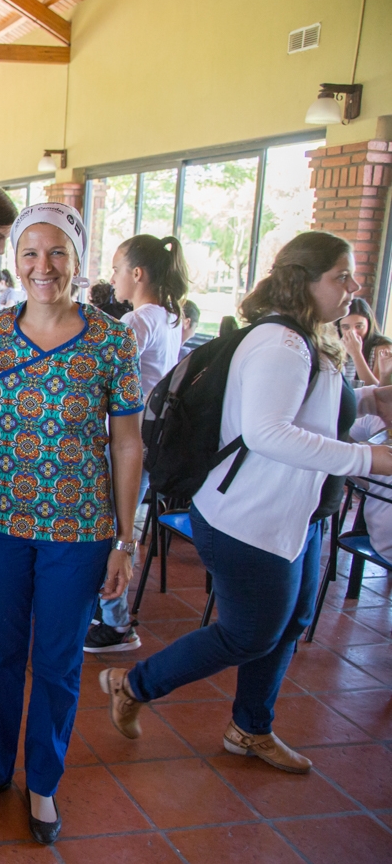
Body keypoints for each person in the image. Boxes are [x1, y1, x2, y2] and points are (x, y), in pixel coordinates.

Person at [100, 231, 392, 778]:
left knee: (290, 621)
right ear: (304, 280)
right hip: (248, 517)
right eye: (341, 276)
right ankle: (132, 684)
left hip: (294, 515)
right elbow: (267, 433)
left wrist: (372, 399)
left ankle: (250, 727)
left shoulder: (311, 337)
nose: (354, 286)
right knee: (248, 632)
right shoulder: (281, 344)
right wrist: (370, 458)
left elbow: (315, 412)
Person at [0, 203, 143, 845]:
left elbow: (127, 444)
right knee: (2, 654)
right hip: (0, 519)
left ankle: (43, 781)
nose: (43, 266)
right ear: (14, 261)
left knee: (58, 662)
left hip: (80, 530)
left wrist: (125, 539)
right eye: (30, 253)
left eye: (57, 252)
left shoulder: (112, 339)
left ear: (78, 260)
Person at [85, 234, 188, 653]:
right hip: (149, 439)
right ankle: (108, 613)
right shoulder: (170, 317)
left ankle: (115, 624)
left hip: (129, 440)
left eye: (117, 269)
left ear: (138, 273)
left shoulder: (137, 322)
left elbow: (104, 375)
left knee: (112, 529)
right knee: (118, 526)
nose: (113, 278)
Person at [339, 296, 379, 387]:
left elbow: (377, 389)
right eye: (345, 327)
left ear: (369, 324)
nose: (353, 333)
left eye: (359, 326)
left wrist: (356, 353)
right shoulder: (336, 345)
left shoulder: (380, 348)